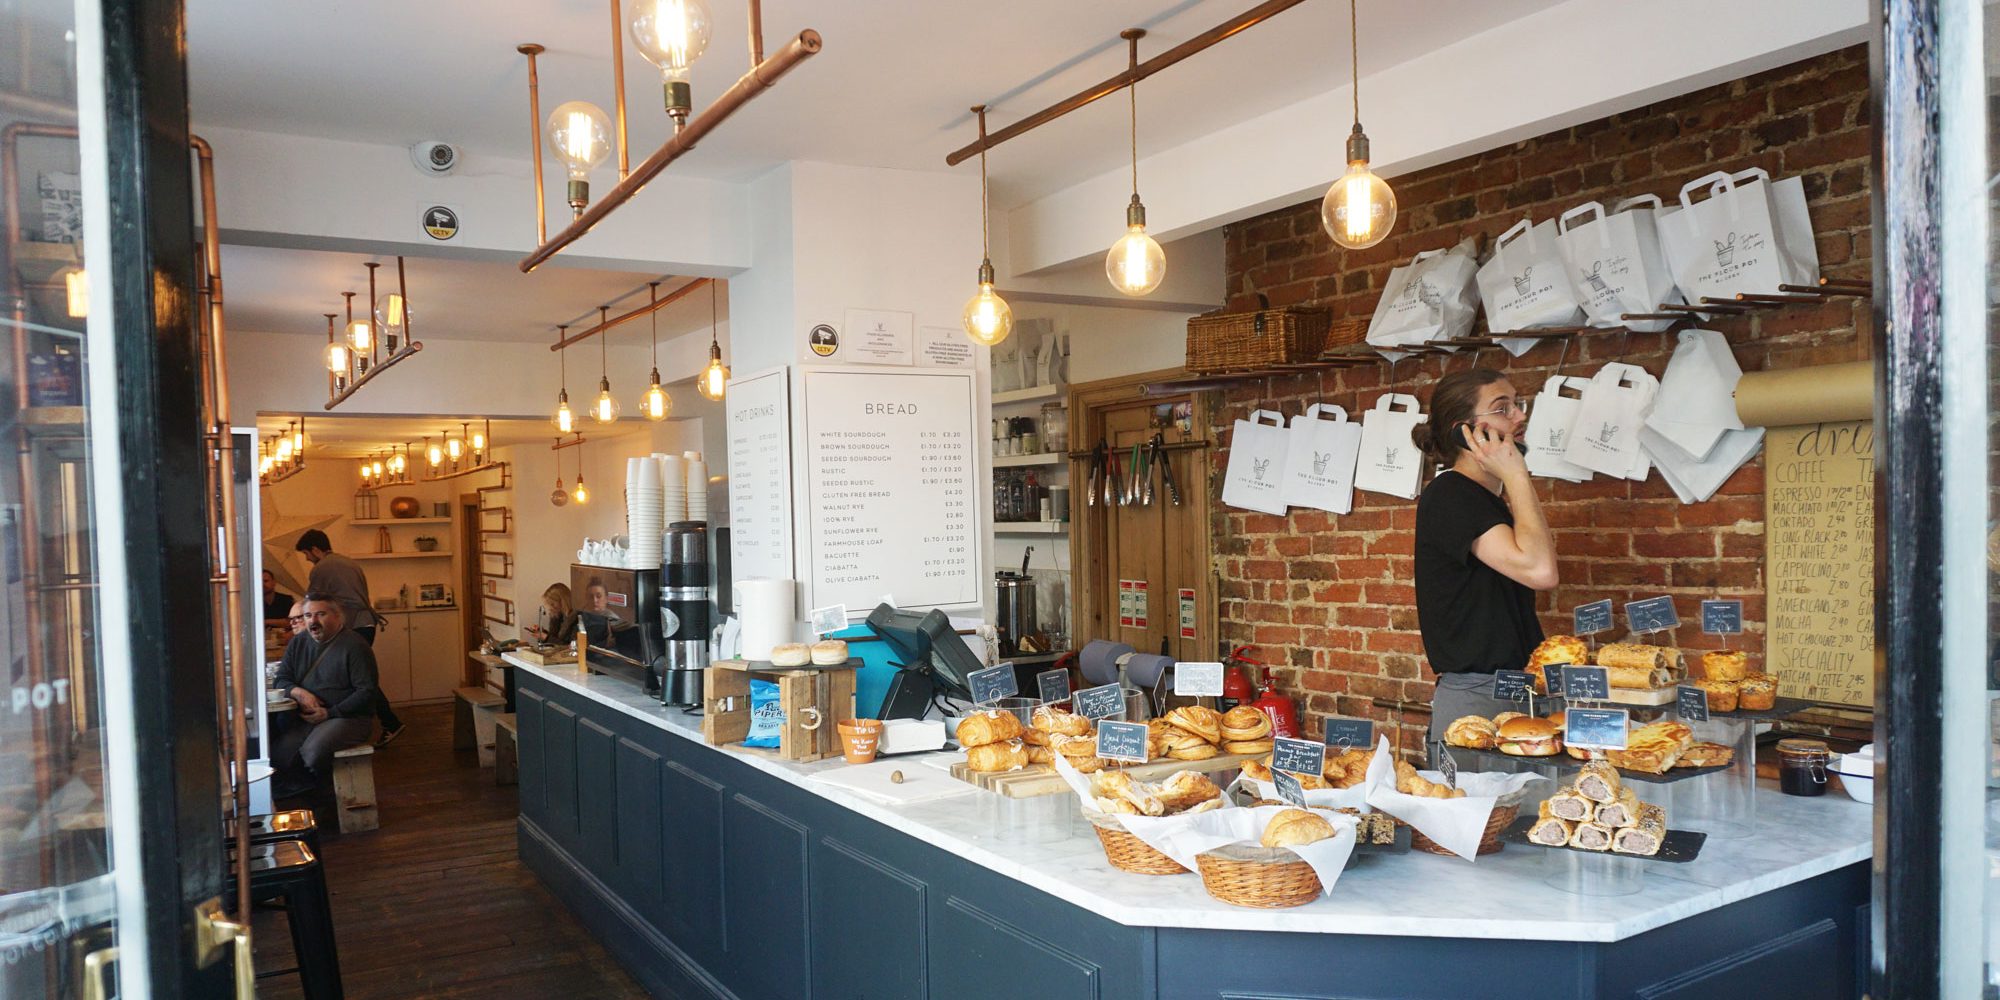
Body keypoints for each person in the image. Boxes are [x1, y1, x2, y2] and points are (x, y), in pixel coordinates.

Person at [1411, 368, 1558, 757]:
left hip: (1515, 690)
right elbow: (1541, 571)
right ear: (1467, 432)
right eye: (1502, 408)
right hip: (1478, 700)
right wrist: (1515, 473)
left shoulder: (1481, 499)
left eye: (1517, 404)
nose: (1519, 416)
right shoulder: (1450, 496)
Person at [295, 529, 406, 745]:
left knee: (360, 679)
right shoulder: (349, 563)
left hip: (351, 625)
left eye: (307, 554)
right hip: (366, 622)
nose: (308, 559)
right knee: (360, 675)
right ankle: (379, 721)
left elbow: (312, 602)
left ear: (316, 549)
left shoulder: (321, 568)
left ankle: (385, 722)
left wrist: (300, 620)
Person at [270, 593, 380, 798]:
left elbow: (366, 692)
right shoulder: (298, 642)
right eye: (308, 615)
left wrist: (330, 713)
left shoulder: (355, 646)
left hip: (348, 717)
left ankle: (322, 795)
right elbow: (282, 679)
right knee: (279, 753)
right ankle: (306, 793)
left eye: (321, 614)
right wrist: (298, 692)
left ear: (338, 617)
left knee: (313, 752)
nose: (313, 621)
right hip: (309, 717)